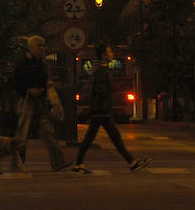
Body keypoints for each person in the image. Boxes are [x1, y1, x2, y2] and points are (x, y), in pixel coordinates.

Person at [73, 44, 151, 174]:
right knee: (111, 138)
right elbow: (101, 89)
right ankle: (131, 162)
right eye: (109, 52)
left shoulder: (101, 70)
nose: (112, 54)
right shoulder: (101, 72)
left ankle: (131, 162)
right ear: (103, 55)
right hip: (101, 110)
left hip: (100, 110)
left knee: (101, 138)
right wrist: (111, 90)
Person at [13, 35, 71, 172]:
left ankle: (58, 162)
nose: (43, 48)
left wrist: (43, 92)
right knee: (22, 133)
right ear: (31, 47)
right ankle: (17, 163)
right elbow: (16, 81)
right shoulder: (23, 62)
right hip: (27, 99)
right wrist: (28, 90)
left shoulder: (42, 63)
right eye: (39, 45)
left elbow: (45, 80)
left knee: (48, 131)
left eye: (43, 45)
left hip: (41, 100)